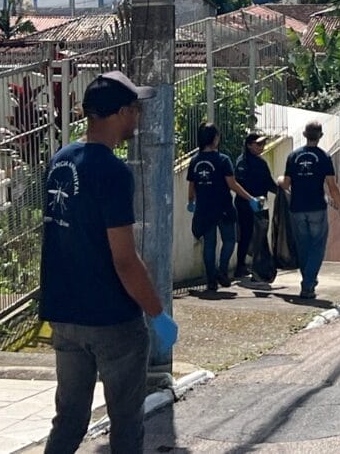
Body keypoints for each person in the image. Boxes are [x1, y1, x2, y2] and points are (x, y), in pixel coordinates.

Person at [41, 71, 178, 454]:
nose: (139, 117)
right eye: (135, 108)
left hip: (64, 314)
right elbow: (124, 259)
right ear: (120, 113)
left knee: (69, 419)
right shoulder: (113, 173)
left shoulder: (60, 161)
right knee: (125, 422)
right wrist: (156, 313)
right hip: (110, 318)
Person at [186, 123, 261, 292]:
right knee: (229, 240)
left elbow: (192, 186)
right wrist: (250, 198)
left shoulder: (195, 161)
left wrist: (191, 202)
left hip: (204, 209)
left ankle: (211, 279)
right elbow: (232, 184)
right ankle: (222, 270)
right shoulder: (223, 160)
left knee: (209, 244)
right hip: (224, 208)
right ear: (214, 139)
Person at [279, 121, 340, 299]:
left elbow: (285, 184)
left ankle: (308, 282)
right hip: (317, 207)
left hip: (297, 208)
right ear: (321, 136)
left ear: (304, 134)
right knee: (317, 247)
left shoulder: (293, 156)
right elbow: (332, 186)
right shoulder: (324, 157)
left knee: (303, 247)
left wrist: (278, 179)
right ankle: (308, 284)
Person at [233, 132, 280, 279]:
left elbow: (269, 183)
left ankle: (256, 267)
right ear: (249, 145)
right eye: (258, 144)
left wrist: (282, 193)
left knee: (260, 236)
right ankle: (241, 266)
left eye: (263, 144)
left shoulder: (261, 163)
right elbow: (238, 184)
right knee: (246, 236)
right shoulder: (242, 162)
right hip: (245, 204)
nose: (262, 147)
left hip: (260, 204)